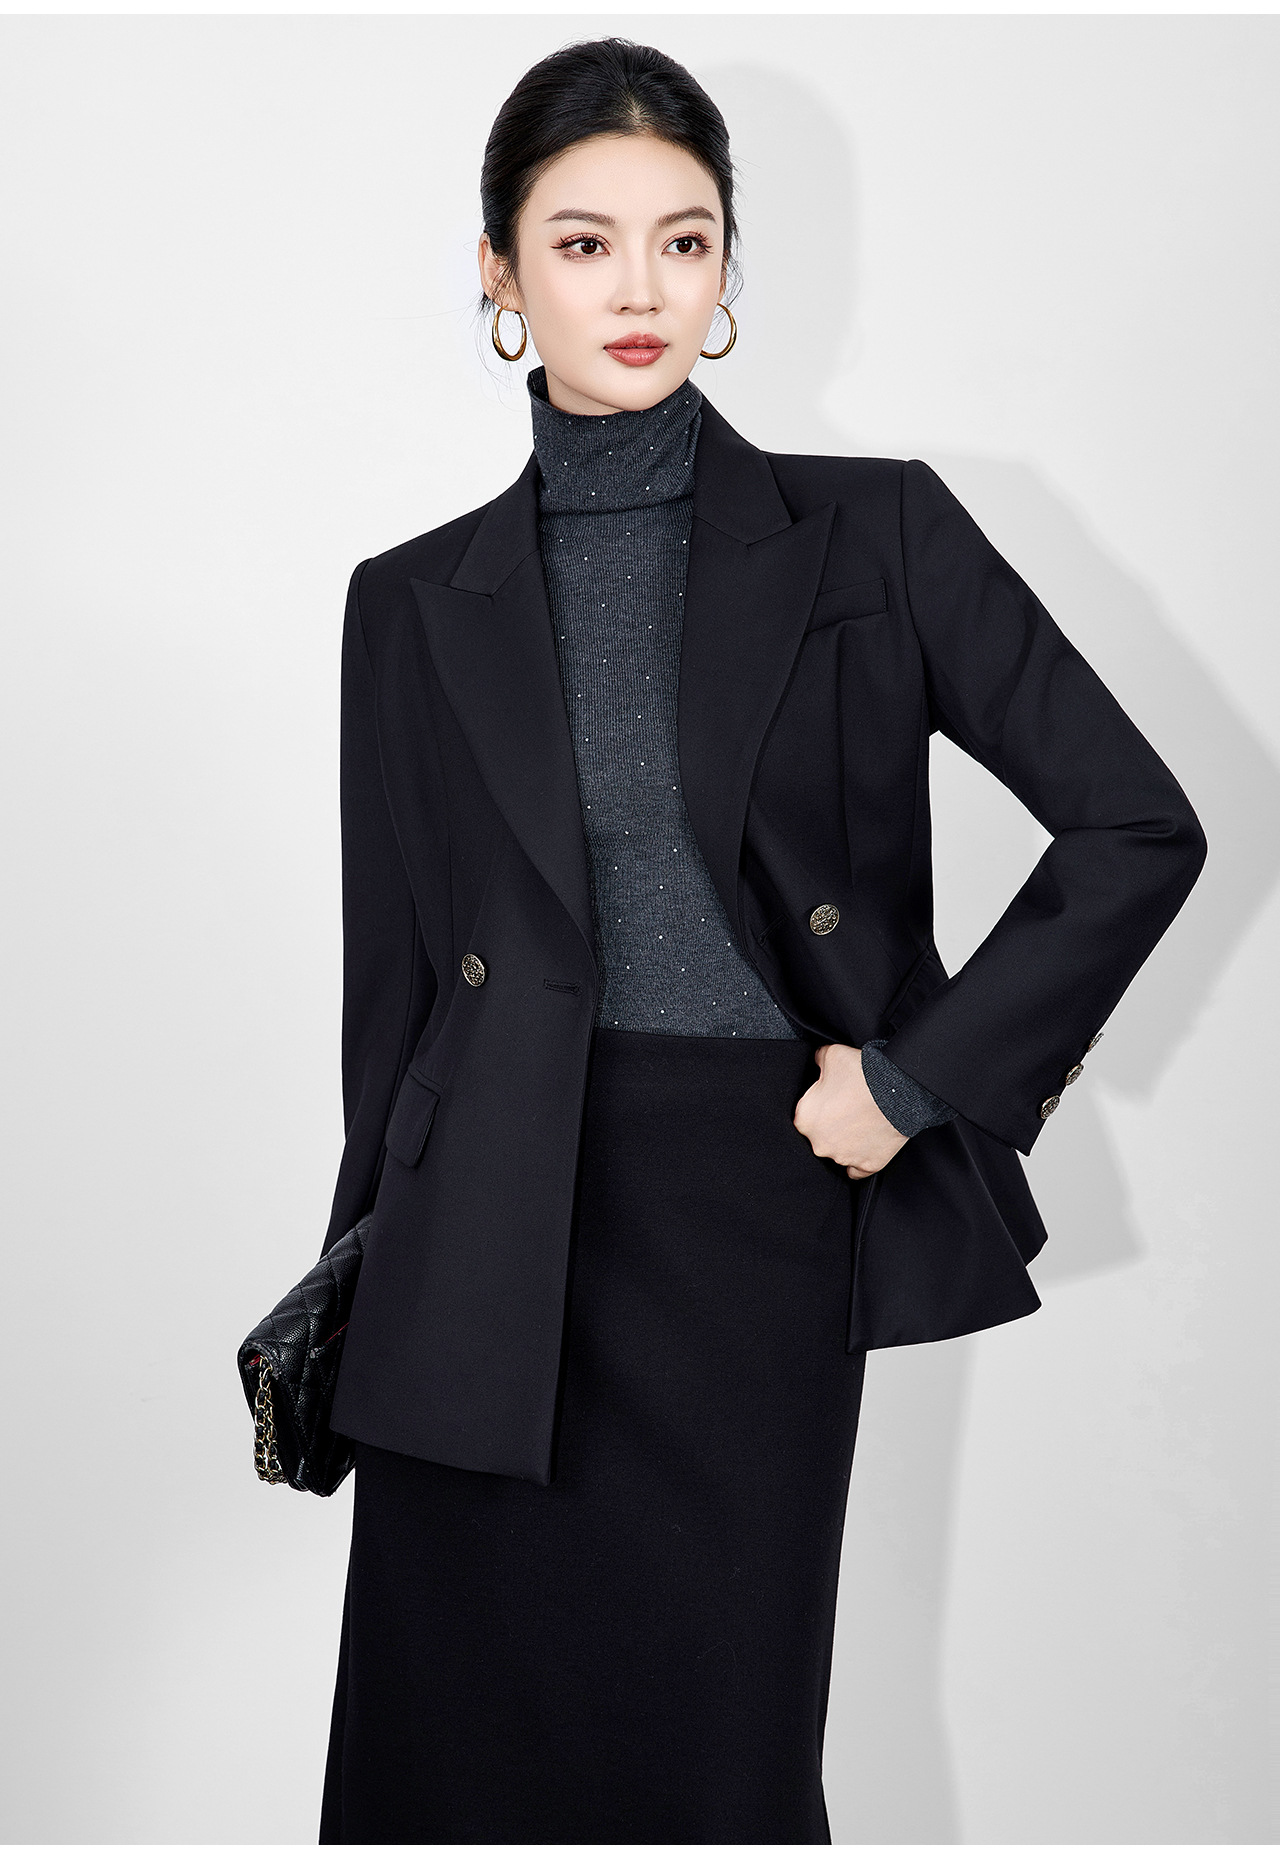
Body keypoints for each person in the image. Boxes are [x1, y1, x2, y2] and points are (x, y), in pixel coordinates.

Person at [315, 38, 1206, 1846]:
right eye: (583, 244)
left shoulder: (880, 531)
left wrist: (916, 1081)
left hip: (748, 1224)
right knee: (446, 1776)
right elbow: (392, 1001)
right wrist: (353, 1290)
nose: (639, 289)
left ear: (728, 266)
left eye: (684, 240)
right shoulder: (406, 602)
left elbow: (1138, 825)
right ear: (499, 272)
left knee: (718, 1767)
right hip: (475, 1245)